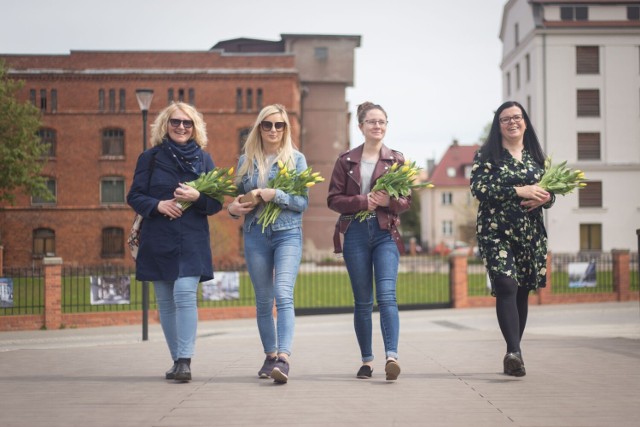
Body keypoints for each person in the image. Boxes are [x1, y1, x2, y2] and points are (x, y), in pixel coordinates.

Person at [127, 102, 222, 382]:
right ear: (165, 125)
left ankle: (184, 360)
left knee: (184, 294)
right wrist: (158, 205)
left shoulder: (204, 160)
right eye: (175, 122)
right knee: (165, 303)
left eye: (187, 123)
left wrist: (197, 198)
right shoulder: (150, 158)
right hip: (158, 237)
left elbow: (216, 203)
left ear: (195, 128)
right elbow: (134, 196)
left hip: (192, 238)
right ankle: (176, 360)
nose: (181, 127)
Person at [470, 100, 555, 377]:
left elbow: (551, 191)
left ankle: (514, 352)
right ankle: (513, 352)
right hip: (496, 232)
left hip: (530, 234)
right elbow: (481, 189)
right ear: (498, 125)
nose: (512, 122)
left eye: (517, 117)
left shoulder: (537, 157)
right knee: (506, 285)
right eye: (505, 119)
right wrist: (521, 191)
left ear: (525, 122)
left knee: (522, 290)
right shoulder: (487, 155)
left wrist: (546, 197)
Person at [327, 101, 410, 381]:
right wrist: (364, 201)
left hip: (386, 232)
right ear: (361, 126)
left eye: (382, 122)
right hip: (355, 234)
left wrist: (390, 201)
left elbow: (406, 200)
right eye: (372, 122)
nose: (378, 126)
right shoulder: (345, 161)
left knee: (387, 296)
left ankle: (391, 357)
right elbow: (333, 200)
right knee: (363, 301)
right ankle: (367, 361)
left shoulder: (396, 160)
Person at [226, 104, 308, 384]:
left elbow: (302, 203)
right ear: (259, 128)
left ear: (286, 129)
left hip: (287, 234)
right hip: (255, 234)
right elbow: (236, 201)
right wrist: (232, 210)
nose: (274, 130)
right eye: (268, 124)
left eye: (279, 125)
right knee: (263, 301)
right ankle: (270, 355)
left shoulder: (296, 160)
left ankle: (284, 358)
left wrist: (276, 194)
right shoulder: (245, 161)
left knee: (283, 294)